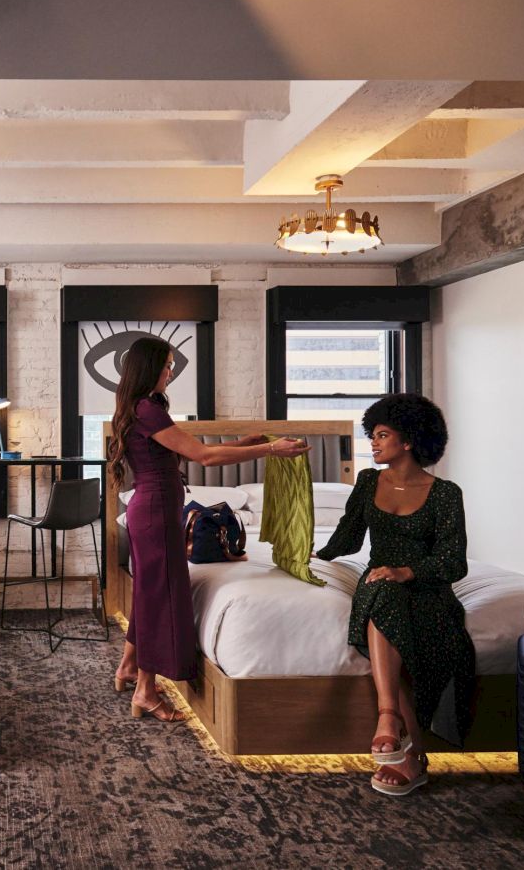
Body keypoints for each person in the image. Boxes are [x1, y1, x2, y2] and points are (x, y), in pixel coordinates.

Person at [107, 336, 309, 721]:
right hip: (156, 510)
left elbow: (189, 449)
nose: (171, 372)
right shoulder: (148, 408)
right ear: (151, 367)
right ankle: (146, 691)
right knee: (160, 595)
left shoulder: (140, 407)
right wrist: (268, 449)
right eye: (167, 365)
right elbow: (204, 456)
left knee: (150, 592)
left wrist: (242, 442)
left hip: (151, 508)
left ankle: (129, 667)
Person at [316, 393, 473, 796]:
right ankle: (394, 726)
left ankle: (398, 734)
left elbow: (455, 563)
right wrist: (311, 556)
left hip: (428, 590)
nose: (373, 443)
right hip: (381, 586)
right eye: (373, 434)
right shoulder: (369, 482)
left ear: (409, 441)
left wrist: (407, 571)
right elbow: (348, 538)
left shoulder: (445, 493)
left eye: (382, 435)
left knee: (393, 607)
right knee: (382, 594)